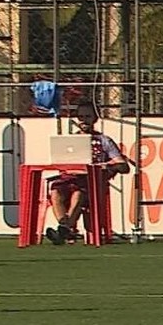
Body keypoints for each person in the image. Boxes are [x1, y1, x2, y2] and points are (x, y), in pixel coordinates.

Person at [45, 99, 130, 245]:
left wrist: (108, 167)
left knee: (78, 194)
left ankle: (63, 230)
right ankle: (65, 229)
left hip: (92, 182)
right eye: (81, 117)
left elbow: (123, 166)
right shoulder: (69, 140)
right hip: (69, 178)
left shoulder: (104, 140)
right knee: (55, 191)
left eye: (88, 117)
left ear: (95, 119)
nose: (84, 121)